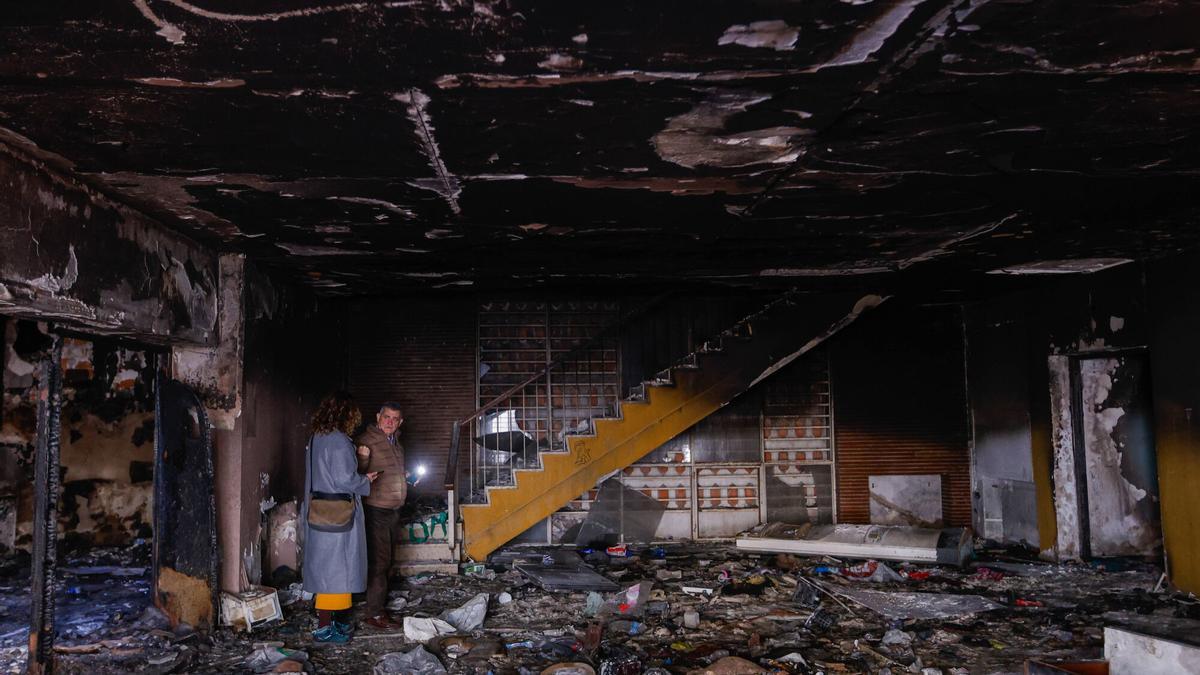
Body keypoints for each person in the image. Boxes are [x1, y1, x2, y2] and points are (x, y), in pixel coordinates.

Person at [302, 391, 378, 643]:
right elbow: (345, 479)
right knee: (339, 571)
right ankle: (331, 628)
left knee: (325, 571)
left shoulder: (317, 437)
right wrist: (365, 479)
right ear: (349, 415)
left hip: (319, 509)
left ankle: (327, 625)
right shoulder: (339, 441)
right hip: (339, 513)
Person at [356, 402, 409, 629]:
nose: (390, 422)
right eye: (386, 417)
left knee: (387, 561)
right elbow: (356, 474)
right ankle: (374, 613)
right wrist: (362, 459)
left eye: (395, 419)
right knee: (379, 562)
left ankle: (377, 606)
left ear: (400, 422)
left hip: (393, 510)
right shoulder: (366, 441)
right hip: (376, 509)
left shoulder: (396, 443)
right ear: (378, 416)